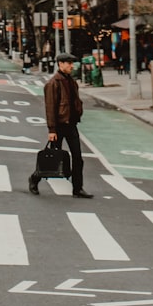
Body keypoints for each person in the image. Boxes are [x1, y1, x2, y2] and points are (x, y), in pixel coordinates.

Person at [29, 53, 93, 199]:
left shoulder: (71, 81)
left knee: (78, 157)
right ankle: (34, 178)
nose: (71, 66)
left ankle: (78, 188)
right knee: (51, 158)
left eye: (72, 63)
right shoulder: (53, 83)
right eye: (68, 63)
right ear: (60, 64)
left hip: (71, 125)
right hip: (58, 127)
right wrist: (52, 129)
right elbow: (50, 108)